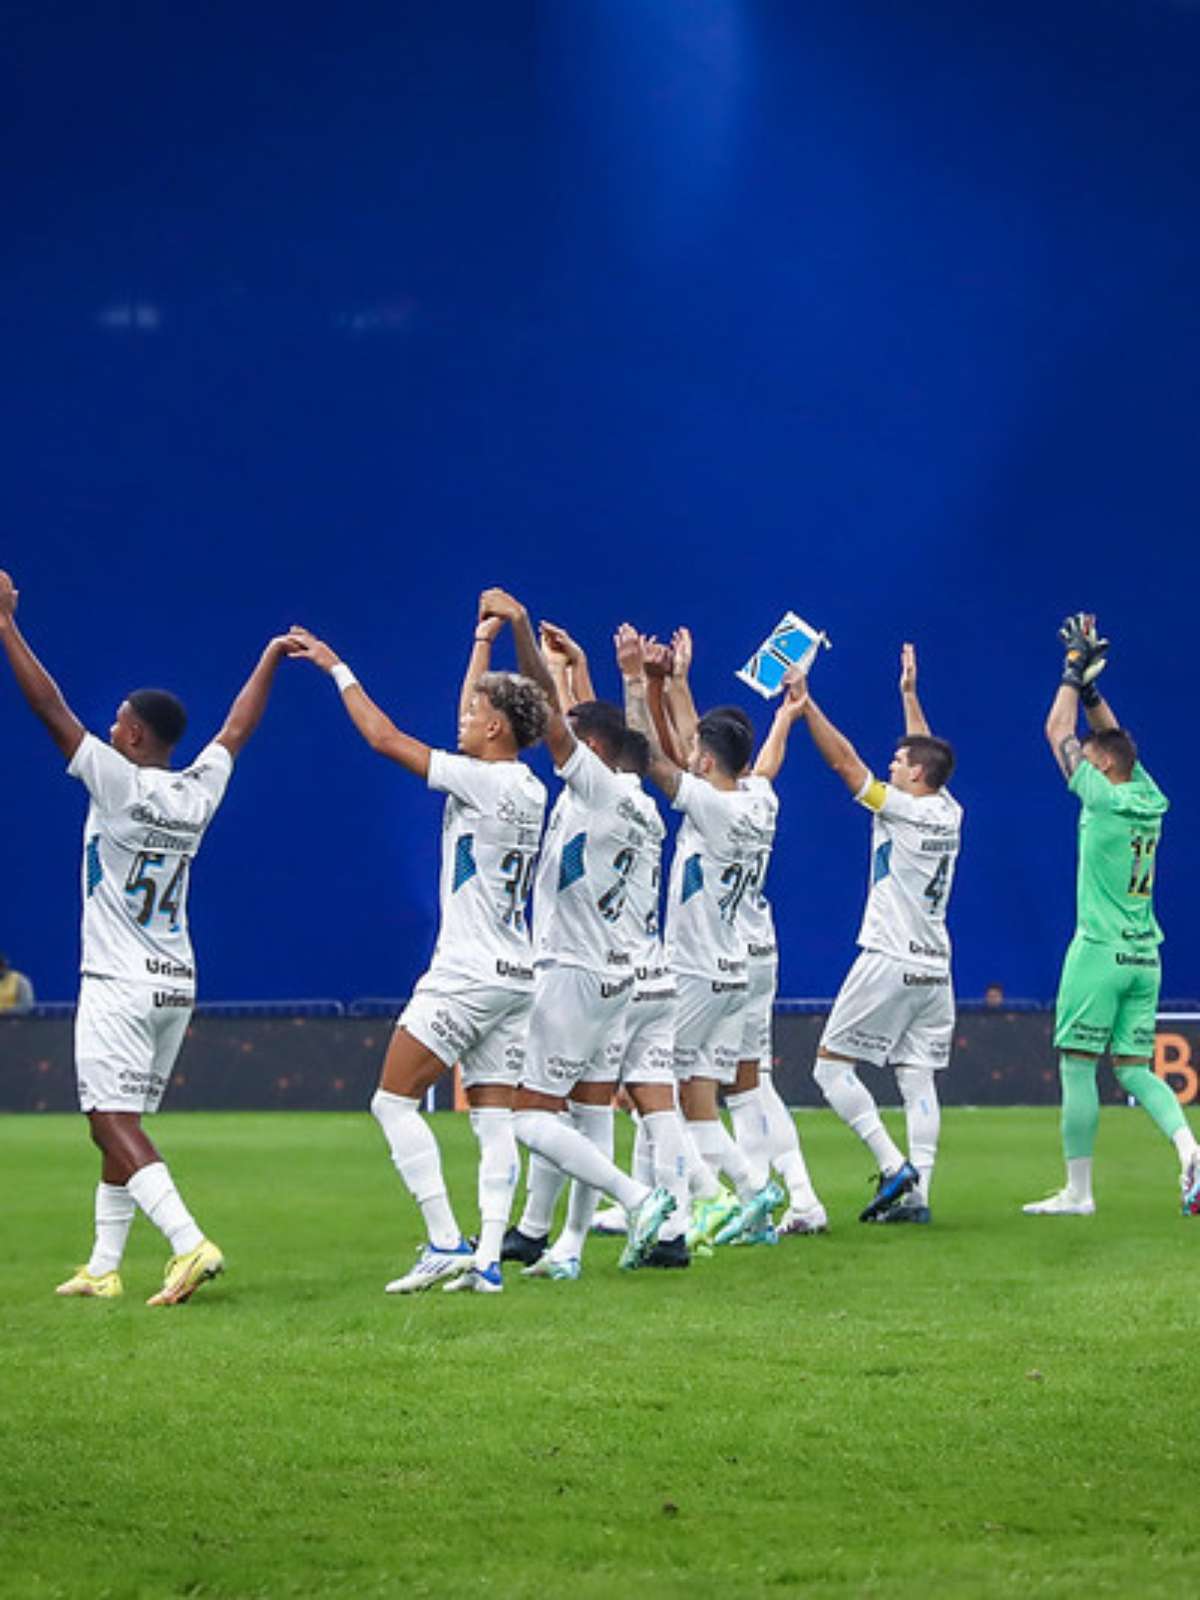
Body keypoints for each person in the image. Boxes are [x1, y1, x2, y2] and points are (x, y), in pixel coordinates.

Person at [0, 568, 291, 1304]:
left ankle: (190, 1244)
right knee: (116, 1121)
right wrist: (267, 659)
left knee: (107, 1117)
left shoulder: (116, 780)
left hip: (119, 982)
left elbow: (48, 707)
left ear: (133, 735)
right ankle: (103, 1267)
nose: (107, 726)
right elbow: (235, 730)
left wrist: (5, 625)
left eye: (118, 720)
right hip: (175, 984)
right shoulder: (195, 791)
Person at [285, 609, 550, 1294]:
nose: (462, 715)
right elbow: (473, 728)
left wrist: (335, 667)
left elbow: (382, 737)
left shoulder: (480, 781)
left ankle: (442, 1239)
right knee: (494, 1120)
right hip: (517, 973)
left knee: (391, 1102)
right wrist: (482, 643)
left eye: (475, 711)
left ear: (496, 727)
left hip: (465, 972)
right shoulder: (529, 787)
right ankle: (488, 1259)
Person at [475, 590, 677, 1276]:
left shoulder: (593, 788)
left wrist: (524, 632)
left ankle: (640, 1199)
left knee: (530, 1115)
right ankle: (567, 1245)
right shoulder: (641, 804)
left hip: (571, 968)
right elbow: (615, 733)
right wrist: (594, 672)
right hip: (618, 972)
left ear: (592, 751)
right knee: (591, 1110)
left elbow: (558, 720)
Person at [1023, 613, 1198, 1217]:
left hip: (1099, 950)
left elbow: (1055, 729)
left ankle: (1079, 1192)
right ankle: (1190, 1150)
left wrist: (1071, 672)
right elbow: (1115, 738)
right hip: (1145, 955)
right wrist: (1095, 692)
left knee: (1077, 1064)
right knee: (1133, 1068)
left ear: (1098, 767)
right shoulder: (1147, 795)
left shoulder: (1098, 794)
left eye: (1090, 755)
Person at [617, 623, 782, 1246]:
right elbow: (694, 746)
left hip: (693, 969)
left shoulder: (709, 806)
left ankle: (690, 1210)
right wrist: (679, 684)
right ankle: (753, 1195)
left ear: (706, 762)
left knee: (650, 1087)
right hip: (735, 973)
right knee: (697, 1100)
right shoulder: (761, 799)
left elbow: (650, 758)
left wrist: (637, 681)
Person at [794, 643, 960, 1225]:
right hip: (935, 967)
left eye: (898, 761)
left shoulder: (904, 810)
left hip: (889, 956)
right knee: (917, 1078)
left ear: (914, 775)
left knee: (829, 1068)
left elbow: (846, 767)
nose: (891, 764)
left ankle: (893, 1166)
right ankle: (918, 1199)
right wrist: (910, 696)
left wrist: (806, 705)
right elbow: (930, 756)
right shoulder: (949, 809)